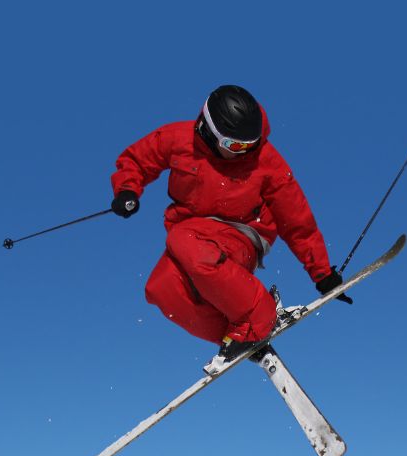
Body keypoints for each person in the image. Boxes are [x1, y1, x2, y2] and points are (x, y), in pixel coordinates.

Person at [110, 85, 343, 364]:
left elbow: (296, 219)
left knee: (181, 239)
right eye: (235, 145)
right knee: (161, 288)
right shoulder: (179, 139)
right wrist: (127, 190)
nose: (244, 152)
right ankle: (238, 336)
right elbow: (138, 159)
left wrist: (321, 273)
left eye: (250, 144)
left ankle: (258, 315)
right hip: (195, 238)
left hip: (243, 234)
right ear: (207, 131)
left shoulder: (265, 160)